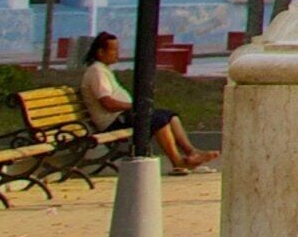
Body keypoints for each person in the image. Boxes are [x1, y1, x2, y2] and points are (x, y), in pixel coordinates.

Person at [78, 31, 210, 174]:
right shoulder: (97, 72)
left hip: (122, 116)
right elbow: (108, 104)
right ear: (100, 52)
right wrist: (136, 107)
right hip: (113, 121)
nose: (117, 53)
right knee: (158, 120)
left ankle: (191, 152)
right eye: (114, 50)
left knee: (170, 116)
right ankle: (176, 161)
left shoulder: (103, 70)